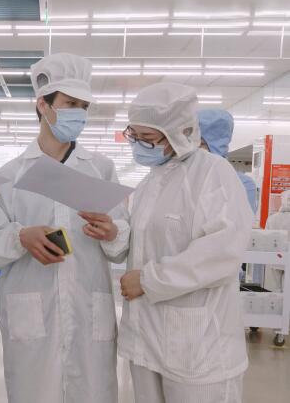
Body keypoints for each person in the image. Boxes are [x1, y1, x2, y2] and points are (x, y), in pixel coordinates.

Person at [0, 53, 120, 403]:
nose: (79, 114)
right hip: (32, 315)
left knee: (92, 392)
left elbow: (122, 244)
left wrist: (113, 233)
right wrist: (20, 237)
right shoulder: (11, 175)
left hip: (89, 311)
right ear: (43, 104)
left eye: (84, 106)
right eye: (71, 104)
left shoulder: (101, 170)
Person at [101, 82, 253, 403]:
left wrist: (148, 280)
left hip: (199, 346)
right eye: (134, 135)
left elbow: (223, 252)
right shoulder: (150, 182)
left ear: (179, 133)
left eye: (148, 137)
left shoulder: (213, 174)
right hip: (147, 339)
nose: (139, 145)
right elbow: (143, 244)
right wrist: (114, 234)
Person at [198, 109, 257, 212]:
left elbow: (242, 220)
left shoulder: (242, 183)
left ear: (218, 145)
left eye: (201, 144)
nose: (195, 150)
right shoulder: (183, 176)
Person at [264, 190, 290, 292]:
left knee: (275, 290)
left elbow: (266, 238)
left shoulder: (272, 218)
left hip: (275, 258)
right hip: (288, 257)